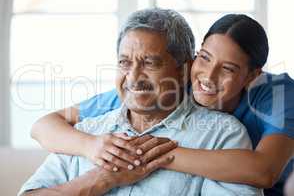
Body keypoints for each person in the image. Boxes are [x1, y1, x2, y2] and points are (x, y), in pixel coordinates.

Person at [31, 11, 294, 196]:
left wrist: (140, 155)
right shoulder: (135, 100)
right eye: (204, 58)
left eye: (227, 68)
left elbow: (264, 171)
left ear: (251, 75)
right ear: (192, 61)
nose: (207, 76)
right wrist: (91, 147)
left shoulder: (274, 97)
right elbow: (43, 126)